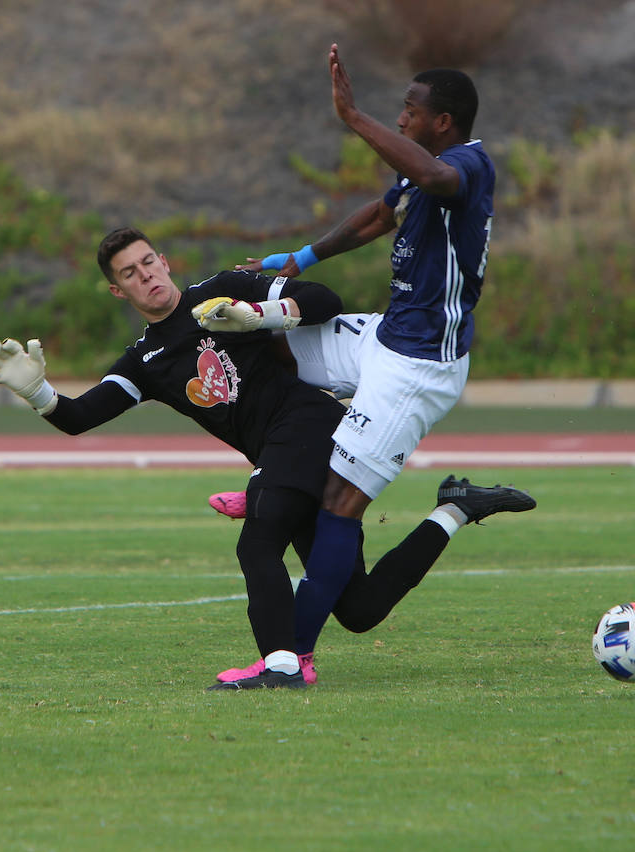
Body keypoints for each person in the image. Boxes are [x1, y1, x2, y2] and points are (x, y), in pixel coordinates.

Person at [0, 226, 534, 690]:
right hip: (284, 456)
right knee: (360, 609)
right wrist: (37, 393)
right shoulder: (145, 361)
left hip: (306, 427)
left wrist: (260, 312)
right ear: (117, 291)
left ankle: (279, 664)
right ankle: (455, 509)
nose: (146, 275)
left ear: (165, 262)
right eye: (130, 273)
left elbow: (325, 300)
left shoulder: (219, 291)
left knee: (258, 540)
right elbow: (79, 418)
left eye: (149, 261)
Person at [213, 44, 499, 673]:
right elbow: (380, 215)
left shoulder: (466, 169)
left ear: (442, 122)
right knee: (270, 339)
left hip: (419, 366)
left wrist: (353, 116)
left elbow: (430, 180)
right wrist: (299, 261)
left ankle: (294, 659)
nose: (400, 119)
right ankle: (275, 477)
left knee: (341, 501)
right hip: (386, 336)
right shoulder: (424, 169)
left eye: (409, 110)